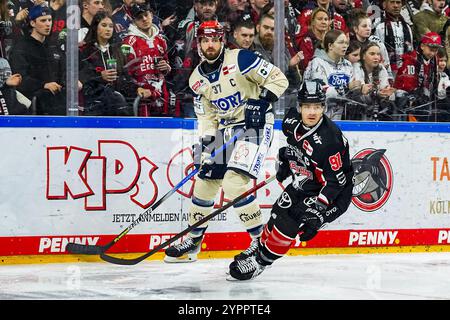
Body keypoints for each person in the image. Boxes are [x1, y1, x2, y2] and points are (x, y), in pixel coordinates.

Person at [164, 20, 289, 263]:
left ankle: (259, 242)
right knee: (204, 182)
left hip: (255, 125)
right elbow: (207, 119)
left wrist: (262, 100)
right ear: (199, 44)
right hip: (226, 129)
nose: (210, 45)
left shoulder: (241, 59)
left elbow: (279, 79)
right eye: (205, 40)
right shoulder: (196, 79)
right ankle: (193, 242)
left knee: (233, 183)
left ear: (222, 41)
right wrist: (205, 148)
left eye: (214, 40)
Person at [227, 80, 354, 281]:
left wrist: (319, 211)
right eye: (307, 106)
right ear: (299, 107)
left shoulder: (330, 140)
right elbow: (293, 146)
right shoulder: (291, 121)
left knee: (291, 220)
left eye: (317, 107)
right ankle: (260, 245)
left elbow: (336, 183)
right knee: (278, 212)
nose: (312, 112)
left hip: (331, 193)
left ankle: (261, 262)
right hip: (305, 182)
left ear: (323, 107)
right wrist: (286, 159)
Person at [9, 4, 66, 115]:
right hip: (35, 101)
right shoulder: (21, 47)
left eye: (49, 20)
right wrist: (43, 85)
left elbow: (63, 71)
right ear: (33, 23)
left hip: (58, 97)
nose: (48, 24)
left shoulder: (53, 46)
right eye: (43, 20)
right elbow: (20, 78)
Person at [79, 11, 137, 116]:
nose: (108, 29)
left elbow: (126, 76)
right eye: (104, 25)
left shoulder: (119, 50)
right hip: (94, 103)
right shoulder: (85, 50)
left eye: (111, 26)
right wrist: (100, 76)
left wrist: (138, 89)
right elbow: (82, 76)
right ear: (95, 27)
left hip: (117, 102)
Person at [121, 3, 172, 116]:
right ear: (134, 21)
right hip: (141, 98)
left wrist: (167, 68)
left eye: (146, 15)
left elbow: (167, 67)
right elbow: (125, 73)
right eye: (139, 17)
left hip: (161, 96)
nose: (144, 19)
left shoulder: (161, 40)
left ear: (152, 15)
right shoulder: (128, 43)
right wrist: (137, 89)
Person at [303, 29, 357, 119]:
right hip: (319, 118)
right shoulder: (317, 63)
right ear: (330, 46)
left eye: (346, 43)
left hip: (343, 119)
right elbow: (319, 91)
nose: (345, 46)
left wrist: (361, 90)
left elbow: (351, 94)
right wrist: (347, 87)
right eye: (341, 43)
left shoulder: (348, 65)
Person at [393, 31, 441, 121]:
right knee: (404, 96)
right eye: (431, 49)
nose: (433, 53)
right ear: (422, 46)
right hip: (404, 97)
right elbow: (407, 86)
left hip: (421, 95)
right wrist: (420, 94)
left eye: (436, 50)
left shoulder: (434, 59)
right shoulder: (411, 58)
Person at [351, 42, 396, 120]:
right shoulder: (357, 66)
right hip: (358, 110)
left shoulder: (381, 68)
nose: (376, 57)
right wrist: (377, 93)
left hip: (377, 107)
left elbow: (385, 89)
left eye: (378, 54)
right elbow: (363, 91)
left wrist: (387, 92)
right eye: (372, 54)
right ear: (364, 56)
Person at [372, 0, 414, 77]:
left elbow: (411, 52)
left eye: (398, 2)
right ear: (384, 4)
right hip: (385, 72)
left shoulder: (407, 27)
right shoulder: (378, 25)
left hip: (405, 72)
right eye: (392, 2)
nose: (395, 6)